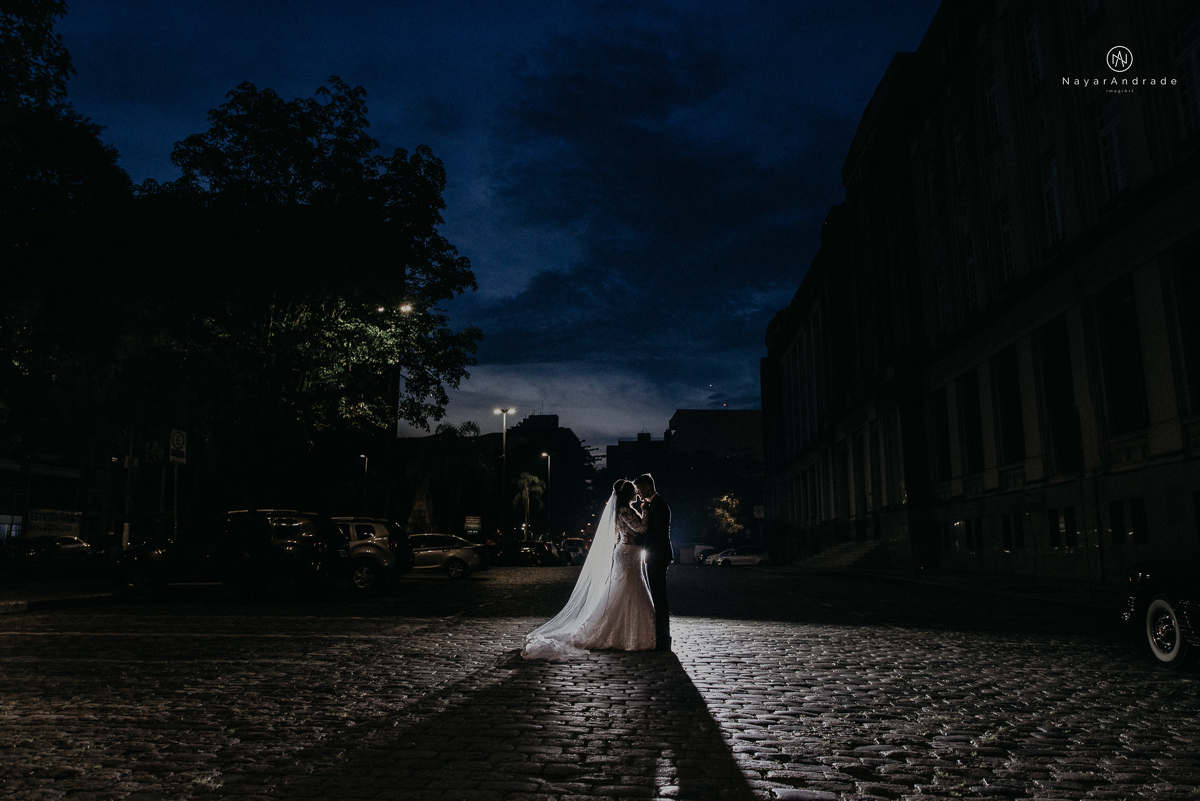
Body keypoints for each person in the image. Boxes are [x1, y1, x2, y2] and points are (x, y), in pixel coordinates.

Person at [521, 479, 657, 660]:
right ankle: (622, 632)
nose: (636, 493)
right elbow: (641, 528)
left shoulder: (623, 509)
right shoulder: (625, 510)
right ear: (628, 494)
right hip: (628, 553)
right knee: (629, 587)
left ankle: (627, 631)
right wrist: (645, 511)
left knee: (626, 588)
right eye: (634, 490)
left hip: (629, 552)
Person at [634, 473, 672, 651]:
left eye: (640, 489)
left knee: (659, 596)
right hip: (655, 555)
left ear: (648, 486)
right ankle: (661, 635)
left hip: (658, 555)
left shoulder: (660, 506)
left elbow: (657, 533)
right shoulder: (653, 505)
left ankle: (664, 638)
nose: (638, 493)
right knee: (656, 595)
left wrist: (639, 541)